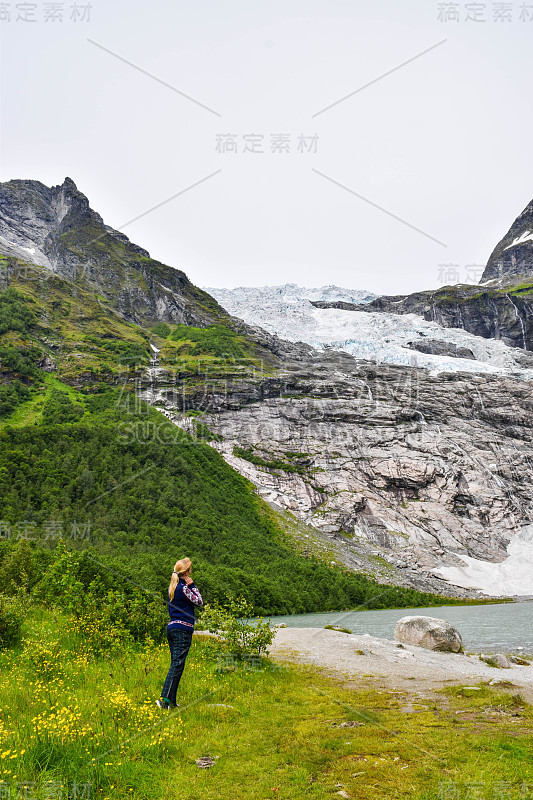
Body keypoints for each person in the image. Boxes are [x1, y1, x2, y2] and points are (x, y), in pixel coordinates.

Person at [157, 557, 203, 710]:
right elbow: (199, 601)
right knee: (177, 665)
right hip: (182, 630)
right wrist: (193, 585)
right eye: (190, 570)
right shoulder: (184, 588)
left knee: (177, 665)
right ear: (187, 572)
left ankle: (171, 702)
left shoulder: (174, 587)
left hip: (172, 628)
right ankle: (163, 700)